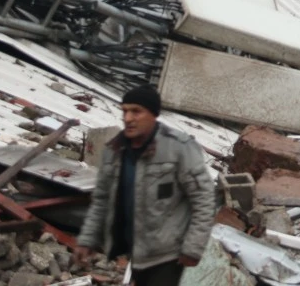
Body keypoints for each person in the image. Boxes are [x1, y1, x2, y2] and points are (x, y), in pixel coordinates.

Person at [75, 85, 214, 286]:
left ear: (153, 115)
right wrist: (87, 240)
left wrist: (193, 247)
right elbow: (101, 201)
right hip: (137, 252)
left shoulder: (179, 148)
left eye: (136, 111)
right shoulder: (114, 151)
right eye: (125, 111)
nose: (128, 118)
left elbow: (204, 198)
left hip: (168, 254)